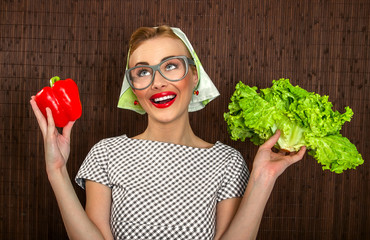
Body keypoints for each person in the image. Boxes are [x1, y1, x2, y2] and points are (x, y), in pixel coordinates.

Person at [30, 25, 306, 240]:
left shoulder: (228, 162)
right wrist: (56, 169)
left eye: (171, 66)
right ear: (134, 90)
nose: (158, 82)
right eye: (142, 72)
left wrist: (262, 178)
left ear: (194, 76)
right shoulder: (106, 153)